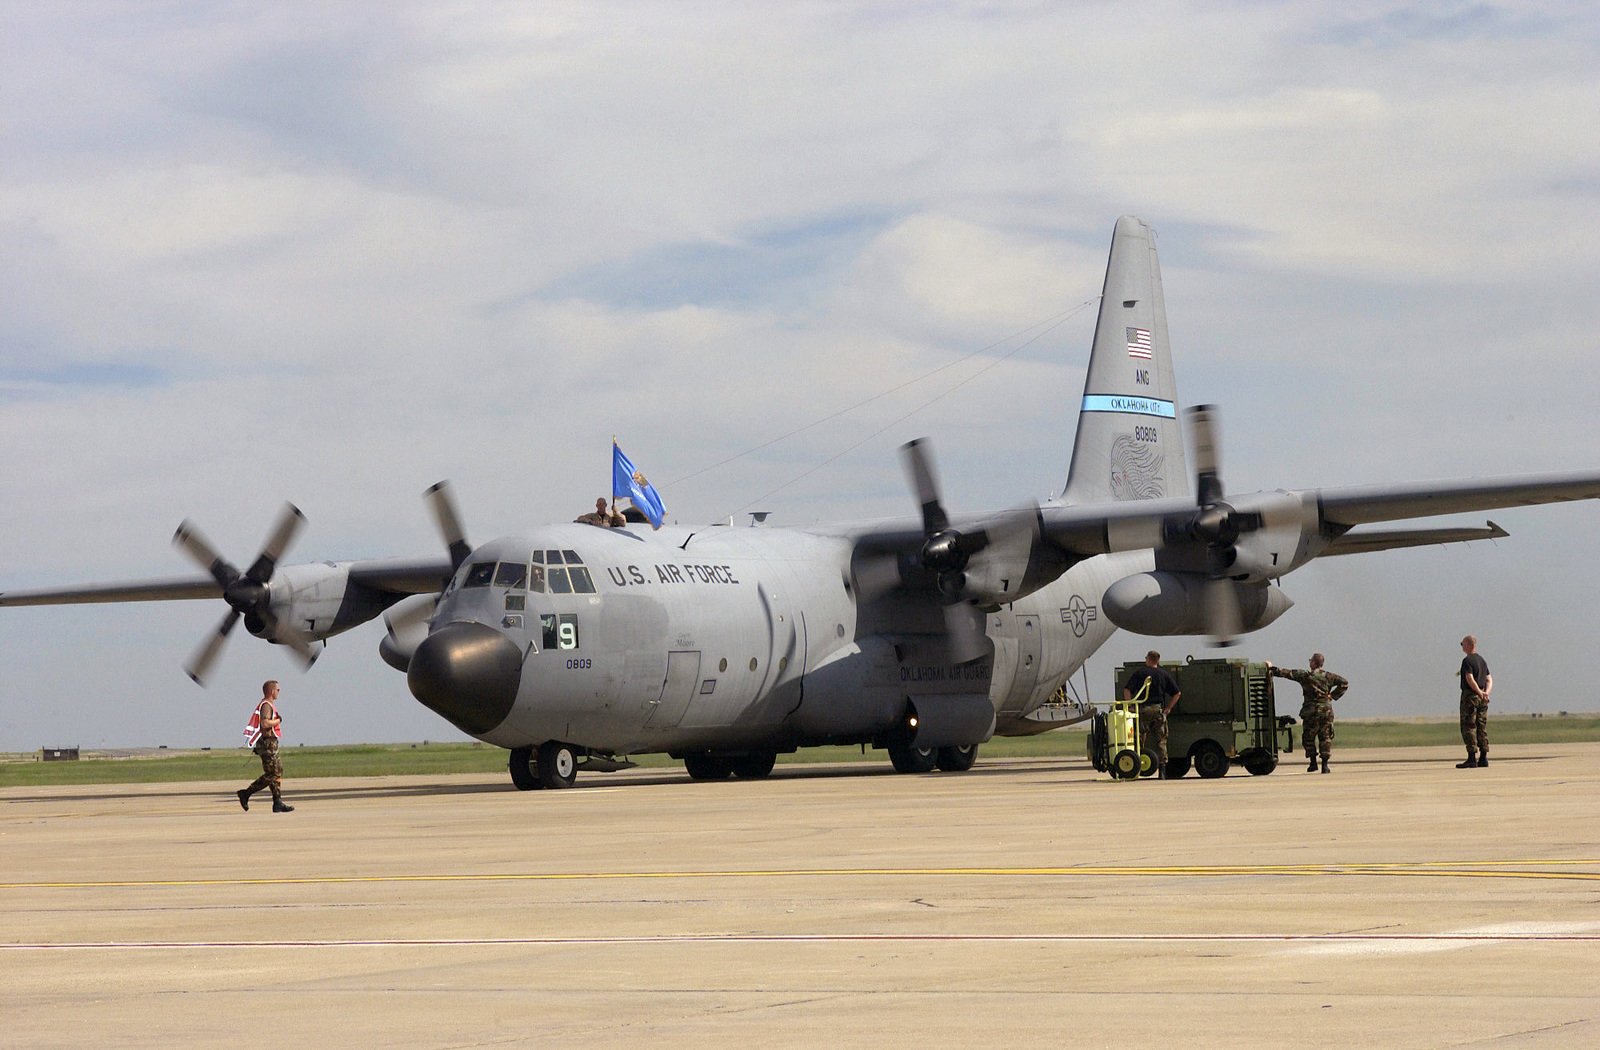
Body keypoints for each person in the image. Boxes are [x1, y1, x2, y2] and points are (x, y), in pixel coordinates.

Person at [1267, 654, 1349, 773]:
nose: (1309, 662)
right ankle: (1325, 766)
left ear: (1314, 663)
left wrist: (1272, 669)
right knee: (1325, 737)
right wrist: (1332, 695)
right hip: (1326, 712)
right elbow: (1344, 683)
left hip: (1311, 712)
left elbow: (1287, 673)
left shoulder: (1306, 676)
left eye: (1311, 660)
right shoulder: (1329, 676)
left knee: (1308, 738)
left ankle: (1313, 763)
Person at [237, 680, 294, 813]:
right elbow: (265, 723)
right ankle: (246, 793)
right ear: (272, 691)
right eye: (277, 690)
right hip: (267, 742)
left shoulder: (269, 705)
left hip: (271, 742)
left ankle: (277, 802)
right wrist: (278, 720)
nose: (279, 692)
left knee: (277, 771)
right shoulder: (266, 705)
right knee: (273, 773)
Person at [1123, 651, 1180, 779]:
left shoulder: (1139, 673)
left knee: (1138, 739)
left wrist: (1130, 706)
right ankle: (1162, 771)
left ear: (1148, 659)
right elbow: (1177, 693)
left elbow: (1127, 689)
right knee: (1161, 741)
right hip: (1157, 711)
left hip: (1141, 710)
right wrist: (1168, 709)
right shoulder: (1163, 674)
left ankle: (1136, 768)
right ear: (1157, 660)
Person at [1457, 635, 1492, 768]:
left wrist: (1477, 692)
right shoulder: (1482, 660)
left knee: (1469, 725)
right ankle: (1483, 757)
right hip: (1482, 697)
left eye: (1462, 644)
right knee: (1481, 725)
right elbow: (1489, 679)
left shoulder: (1467, 661)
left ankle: (1472, 757)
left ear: (1469, 645)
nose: (1462, 646)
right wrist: (1485, 693)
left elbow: (1469, 678)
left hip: (1470, 696)